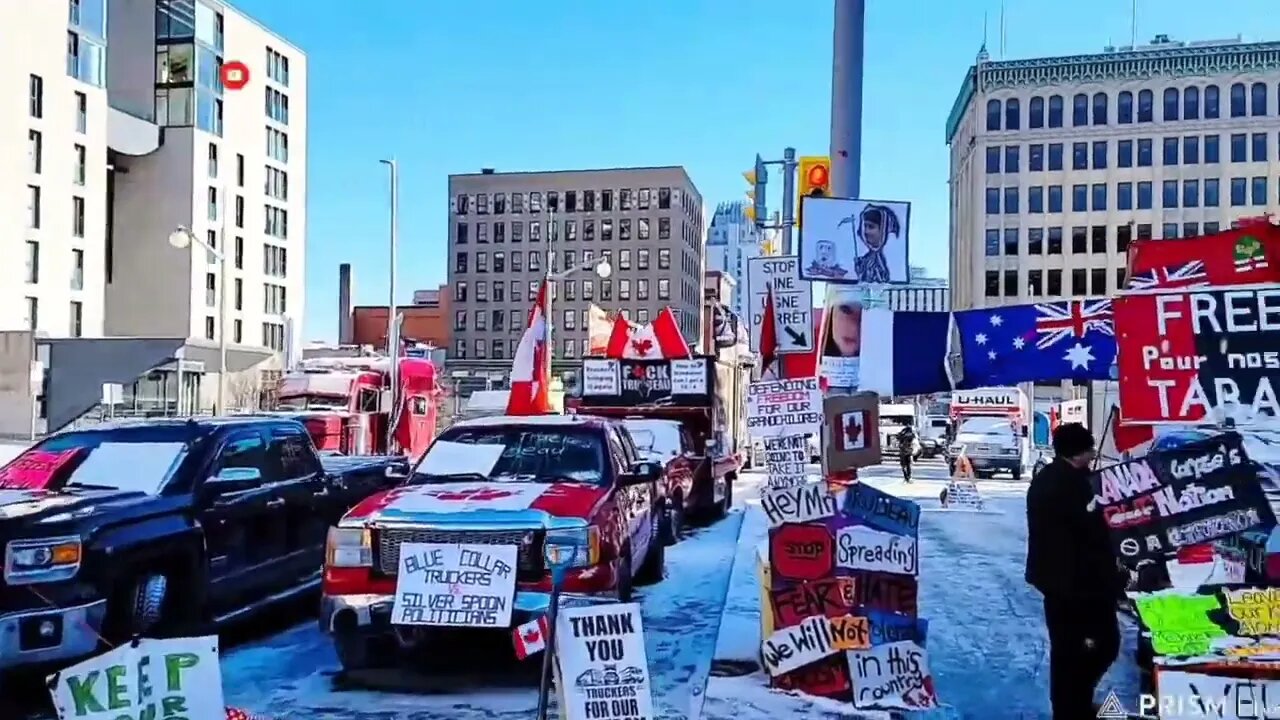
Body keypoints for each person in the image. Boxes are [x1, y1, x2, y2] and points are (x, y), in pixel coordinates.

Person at [1025, 423, 1126, 719]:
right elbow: (1093, 533)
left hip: (1058, 581)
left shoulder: (1050, 477)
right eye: (1090, 449)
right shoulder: (1073, 486)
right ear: (1079, 451)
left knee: (1067, 650)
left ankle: (1072, 705)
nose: (1094, 453)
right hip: (1079, 583)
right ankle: (1074, 706)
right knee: (1102, 645)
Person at [838, 203, 902, 283]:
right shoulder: (865, 258)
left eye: (871, 227)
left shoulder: (890, 260)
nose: (866, 231)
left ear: (883, 229)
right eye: (865, 226)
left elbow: (882, 282)